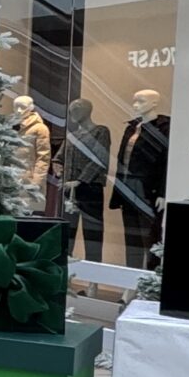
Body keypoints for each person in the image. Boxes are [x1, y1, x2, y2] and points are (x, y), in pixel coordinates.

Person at [113, 89, 171, 267]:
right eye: (135, 101)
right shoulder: (132, 127)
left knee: (151, 237)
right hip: (128, 190)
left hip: (148, 191)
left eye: (141, 101)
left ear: (154, 103)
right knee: (131, 238)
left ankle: (149, 280)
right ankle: (130, 283)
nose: (136, 105)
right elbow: (122, 159)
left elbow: (167, 161)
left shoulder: (164, 128)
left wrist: (163, 192)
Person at [51, 97, 113, 259]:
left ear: (87, 111)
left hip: (89, 189)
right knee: (67, 233)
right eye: (72, 109)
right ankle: (67, 274)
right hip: (68, 191)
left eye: (78, 108)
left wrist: (80, 181)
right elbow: (58, 158)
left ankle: (93, 281)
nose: (73, 112)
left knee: (92, 235)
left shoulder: (101, 132)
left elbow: (99, 159)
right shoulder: (72, 136)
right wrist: (60, 172)